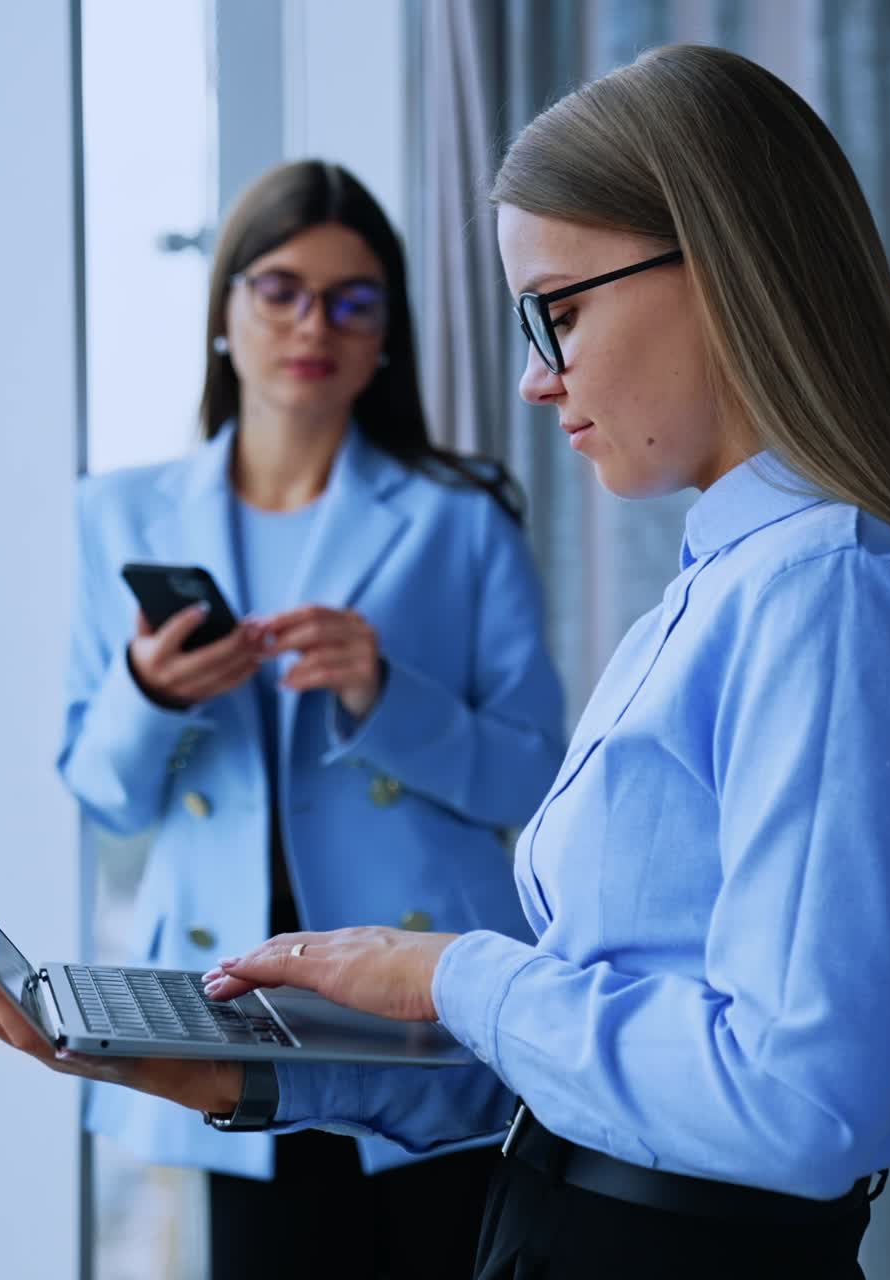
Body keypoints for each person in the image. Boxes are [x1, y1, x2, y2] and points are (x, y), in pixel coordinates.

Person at [0, 45, 890, 1280]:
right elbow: (594, 1082)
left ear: (723, 269)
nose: (533, 375)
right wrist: (242, 1073)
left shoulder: (818, 593)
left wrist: (452, 967)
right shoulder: (720, 583)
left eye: (559, 311)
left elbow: (790, 1104)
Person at [55, 159, 566, 1278]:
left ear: (386, 332)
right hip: (230, 1002)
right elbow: (99, 789)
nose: (312, 323)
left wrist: (384, 694)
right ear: (224, 313)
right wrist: (150, 695)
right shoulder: (119, 513)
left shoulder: (461, 514)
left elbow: (531, 778)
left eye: (352, 299)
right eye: (279, 288)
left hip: (422, 998)